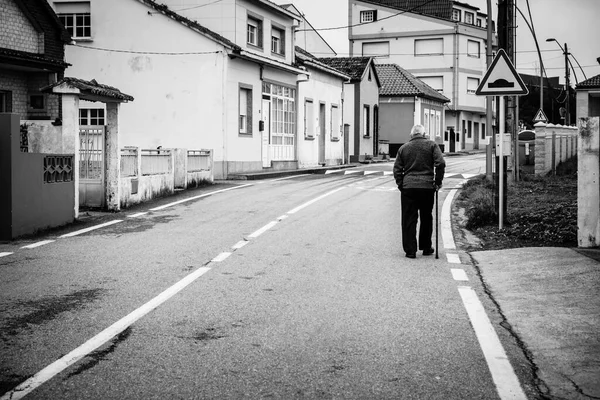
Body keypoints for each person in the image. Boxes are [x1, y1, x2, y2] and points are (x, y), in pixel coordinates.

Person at [393, 124, 445, 259]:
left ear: (411, 135)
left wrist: (401, 184)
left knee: (409, 219)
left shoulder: (403, 148)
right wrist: (438, 182)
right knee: (426, 217)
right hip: (427, 187)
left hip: (409, 188)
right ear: (424, 134)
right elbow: (440, 163)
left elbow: (397, 169)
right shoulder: (432, 145)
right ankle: (426, 247)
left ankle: (410, 250)